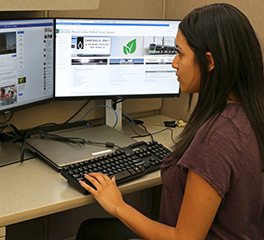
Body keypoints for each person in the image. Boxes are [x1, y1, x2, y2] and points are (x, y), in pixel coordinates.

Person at [76, 3, 264, 240]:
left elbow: (184, 238)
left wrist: (117, 205)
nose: (174, 63)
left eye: (180, 53)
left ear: (209, 62)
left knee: (92, 232)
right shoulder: (251, 115)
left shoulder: (217, 138)